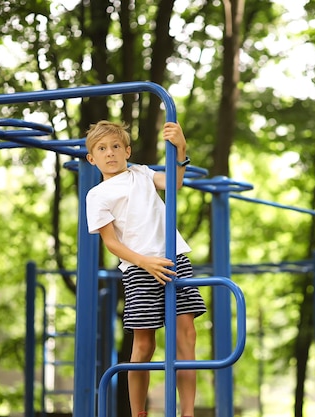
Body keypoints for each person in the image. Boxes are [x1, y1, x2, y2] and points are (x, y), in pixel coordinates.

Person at [84, 120, 206, 417]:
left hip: (173, 258)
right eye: (102, 149)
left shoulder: (141, 173)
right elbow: (111, 243)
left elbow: (174, 183)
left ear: (127, 151)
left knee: (186, 335)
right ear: (92, 158)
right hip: (139, 269)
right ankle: (138, 412)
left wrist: (181, 148)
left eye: (115, 147)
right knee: (144, 343)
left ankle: (187, 411)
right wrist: (144, 261)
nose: (110, 153)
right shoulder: (97, 195)